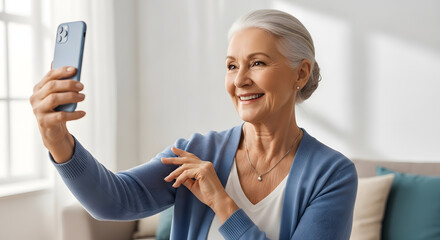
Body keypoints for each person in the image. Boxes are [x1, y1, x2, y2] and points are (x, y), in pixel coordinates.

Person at [30, 9, 357, 240]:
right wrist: (57, 139)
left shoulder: (331, 174)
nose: (240, 80)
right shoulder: (197, 151)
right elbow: (114, 200)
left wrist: (223, 203)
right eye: (231, 66)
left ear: (300, 73)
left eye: (257, 63)